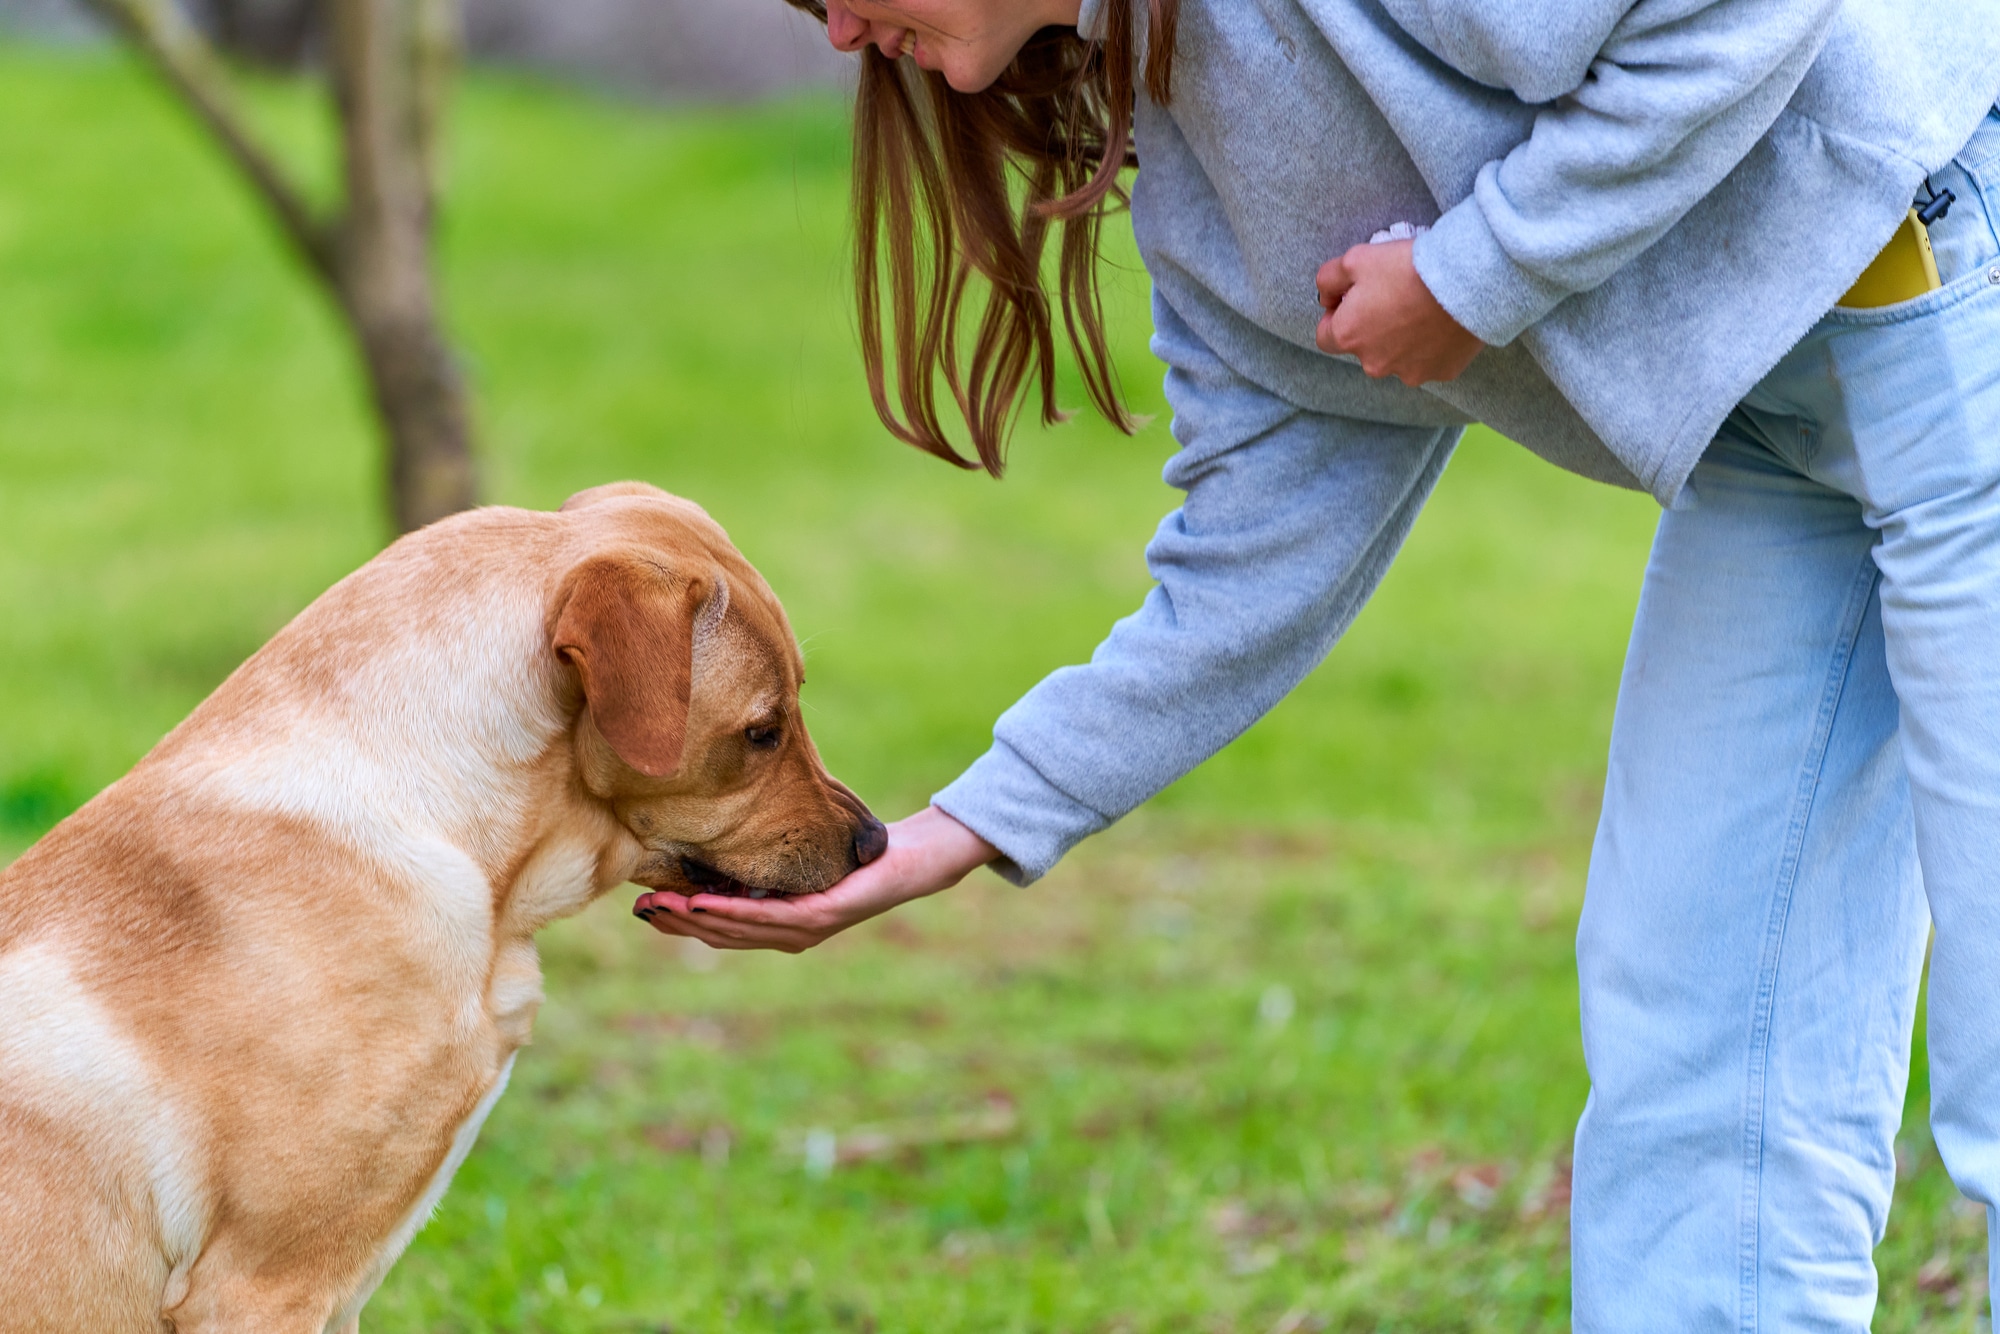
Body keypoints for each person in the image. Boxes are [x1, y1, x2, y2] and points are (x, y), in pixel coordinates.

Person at [631, 0, 2000, 1324]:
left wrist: (1477, 273)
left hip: (1951, 263)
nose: (836, 33)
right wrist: (956, 828)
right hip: (1772, 428)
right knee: (1699, 1061)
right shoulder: (1189, 160)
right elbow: (1252, 558)